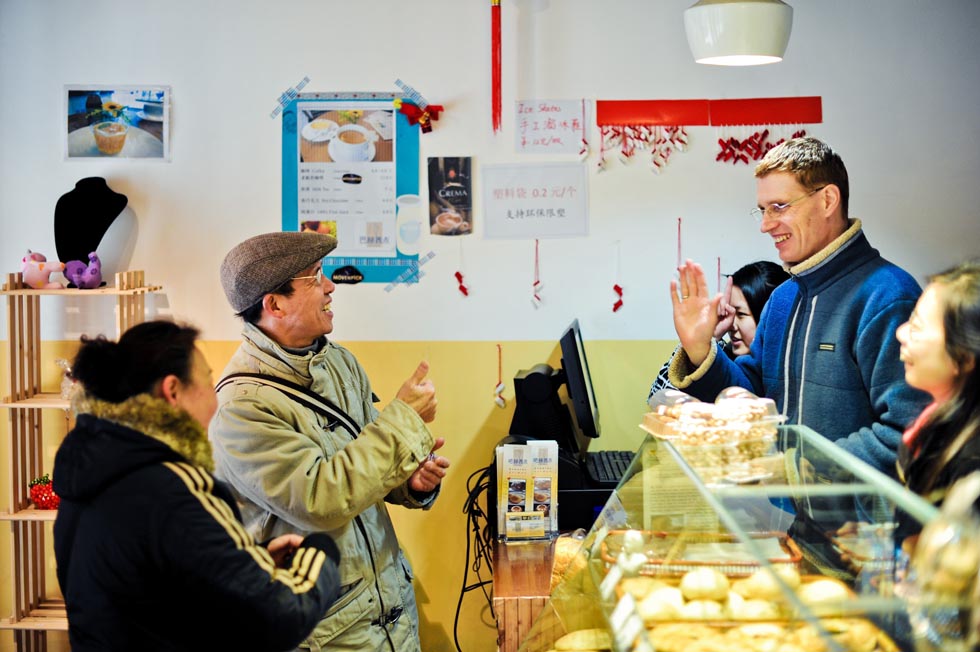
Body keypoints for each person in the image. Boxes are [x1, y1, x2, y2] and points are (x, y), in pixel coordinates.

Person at [209, 230, 450, 652]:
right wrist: (405, 420)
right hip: (325, 630)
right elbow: (322, 499)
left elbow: (364, 455)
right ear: (274, 303)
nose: (330, 286)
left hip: (389, 606)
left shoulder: (337, 361)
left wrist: (410, 484)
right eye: (315, 276)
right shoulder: (241, 408)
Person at [52, 320, 342, 652]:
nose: (215, 393)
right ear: (173, 390)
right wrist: (320, 551)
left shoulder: (88, 476)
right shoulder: (173, 488)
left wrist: (244, 562)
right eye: (207, 378)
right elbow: (282, 614)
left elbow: (150, 588)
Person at [667, 136, 930, 475]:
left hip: (863, 526)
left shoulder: (888, 296)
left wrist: (797, 467)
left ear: (828, 200)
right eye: (762, 210)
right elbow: (754, 396)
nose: (765, 225)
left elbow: (908, 434)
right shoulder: (783, 298)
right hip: (793, 521)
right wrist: (699, 348)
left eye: (779, 207)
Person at [896, 260, 980, 514]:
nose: (901, 332)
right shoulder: (937, 421)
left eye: (917, 327)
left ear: (964, 358)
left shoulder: (971, 463)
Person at [649, 260, 788, 397]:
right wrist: (710, 337)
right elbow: (658, 396)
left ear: (768, 318)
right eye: (729, 312)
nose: (731, 324)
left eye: (741, 314)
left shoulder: (783, 371)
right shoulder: (722, 354)